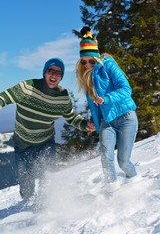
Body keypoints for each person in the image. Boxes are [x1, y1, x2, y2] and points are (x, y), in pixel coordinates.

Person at [0, 57, 95, 203]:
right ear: (45, 72)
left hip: (45, 142)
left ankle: (44, 211)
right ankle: (27, 210)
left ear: (61, 77)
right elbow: (3, 98)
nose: (54, 75)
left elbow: (71, 117)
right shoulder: (27, 87)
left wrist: (84, 125)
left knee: (48, 179)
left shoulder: (62, 96)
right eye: (51, 71)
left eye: (58, 73)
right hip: (23, 144)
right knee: (27, 188)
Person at [76, 26, 138, 193]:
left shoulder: (109, 65)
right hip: (107, 122)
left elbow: (127, 89)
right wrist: (96, 124)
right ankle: (113, 193)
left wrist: (107, 98)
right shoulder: (87, 79)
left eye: (91, 60)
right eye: (84, 61)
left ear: (96, 57)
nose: (87, 64)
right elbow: (96, 109)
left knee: (123, 162)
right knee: (106, 159)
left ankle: (135, 184)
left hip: (126, 118)